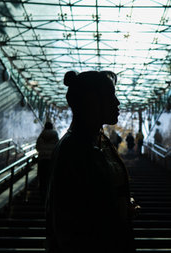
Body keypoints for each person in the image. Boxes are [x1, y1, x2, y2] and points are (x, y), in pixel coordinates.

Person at [46, 70, 139, 253]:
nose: (117, 102)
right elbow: (69, 222)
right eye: (110, 96)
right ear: (92, 102)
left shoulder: (96, 141)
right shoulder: (73, 149)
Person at [36, 121, 59, 202]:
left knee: (42, 178)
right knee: (49, 178)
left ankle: (41, 195)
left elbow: (37, 147)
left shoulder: (41, 135)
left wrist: (43, 151)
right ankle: (48, 196)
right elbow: (57, 147)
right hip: (51, 160)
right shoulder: (55, 135)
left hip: (42, 159)